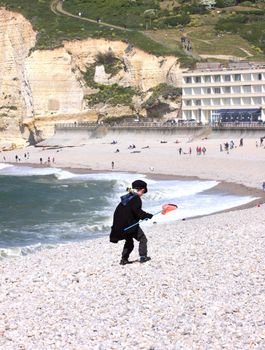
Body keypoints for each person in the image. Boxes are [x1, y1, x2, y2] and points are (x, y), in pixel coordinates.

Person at [110, 180, 153, 265]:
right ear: (142, 189)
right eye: (143, 192)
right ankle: (143, 257)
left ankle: (124, 259)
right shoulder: (136, 198)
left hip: (121, 226)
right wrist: (147, 215)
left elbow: (128, 212)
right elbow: (137, 212)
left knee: (129, 242)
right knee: (143, 239)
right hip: (130, 225)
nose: (142, 194)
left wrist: (143, 216)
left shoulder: (127, 197)